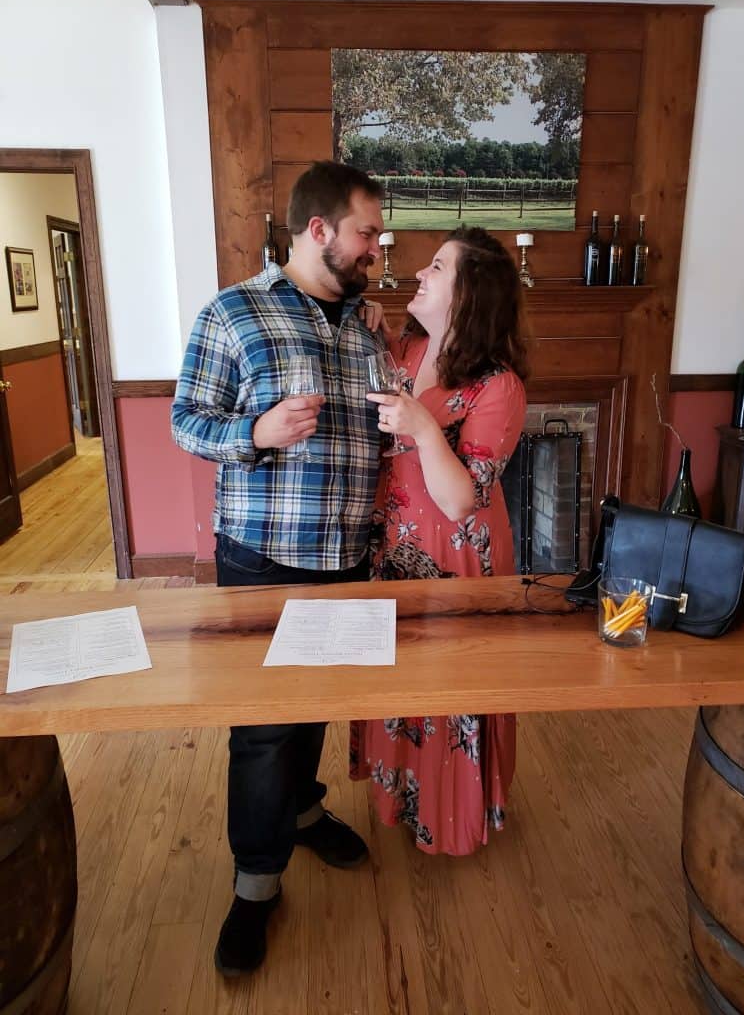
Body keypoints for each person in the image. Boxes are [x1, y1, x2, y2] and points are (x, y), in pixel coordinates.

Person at [171, 161, 386, 976]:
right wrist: (255, 434)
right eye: (368, 232)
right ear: (319, 231)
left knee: (319, 701)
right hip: (262, 556)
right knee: (262, 726)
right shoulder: (233, 313)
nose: (378, 248)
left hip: (348, 554)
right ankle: (256, 883)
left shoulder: (369, 326)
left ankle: (300, 810)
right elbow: (186, 421)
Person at [350, 225, 529, 857]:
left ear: (469, 293)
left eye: (436, 267)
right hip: (395, 547)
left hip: (458, 561)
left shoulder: (498, 387)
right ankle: (401, 798)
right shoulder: (402, 351)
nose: (420, 275)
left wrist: (425, 429)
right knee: (400, 678)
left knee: (450, 690)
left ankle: (454, 816)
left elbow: (461, 499)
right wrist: (363, 322)